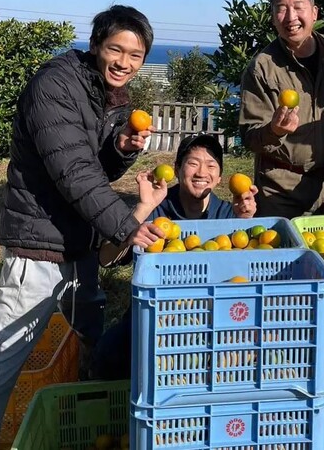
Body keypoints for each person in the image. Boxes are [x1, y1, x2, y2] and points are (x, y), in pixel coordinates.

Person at [0, 5, 169, 450]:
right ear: (97, 45)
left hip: (79, 248)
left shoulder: (104, 92)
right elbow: (73, 171)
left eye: (136, 56)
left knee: (87, 348)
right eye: (116, 49)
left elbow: (93, 167)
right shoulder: (55, 86)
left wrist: (120, 149)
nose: (124, 62)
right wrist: (125, 224)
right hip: (38, 247)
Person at [91, 134, 257, 380]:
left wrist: (244, 222)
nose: (202, 172)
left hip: (213, 319)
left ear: (220, 177)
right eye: (193, 163)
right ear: (177, 169)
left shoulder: (226, 215)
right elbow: (105, 258)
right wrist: (144, 208)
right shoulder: (158, 208)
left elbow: (243, 271)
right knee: (108, 353)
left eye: (211, 166)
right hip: (156, 317)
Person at [239, 0, 324, 218]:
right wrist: (275, 131)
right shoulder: (262, 67)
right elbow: (250, 136)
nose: (291, 17)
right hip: (281, 192)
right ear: (273, 18)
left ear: (314, 12)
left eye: (298, 7)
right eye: (281, 9)